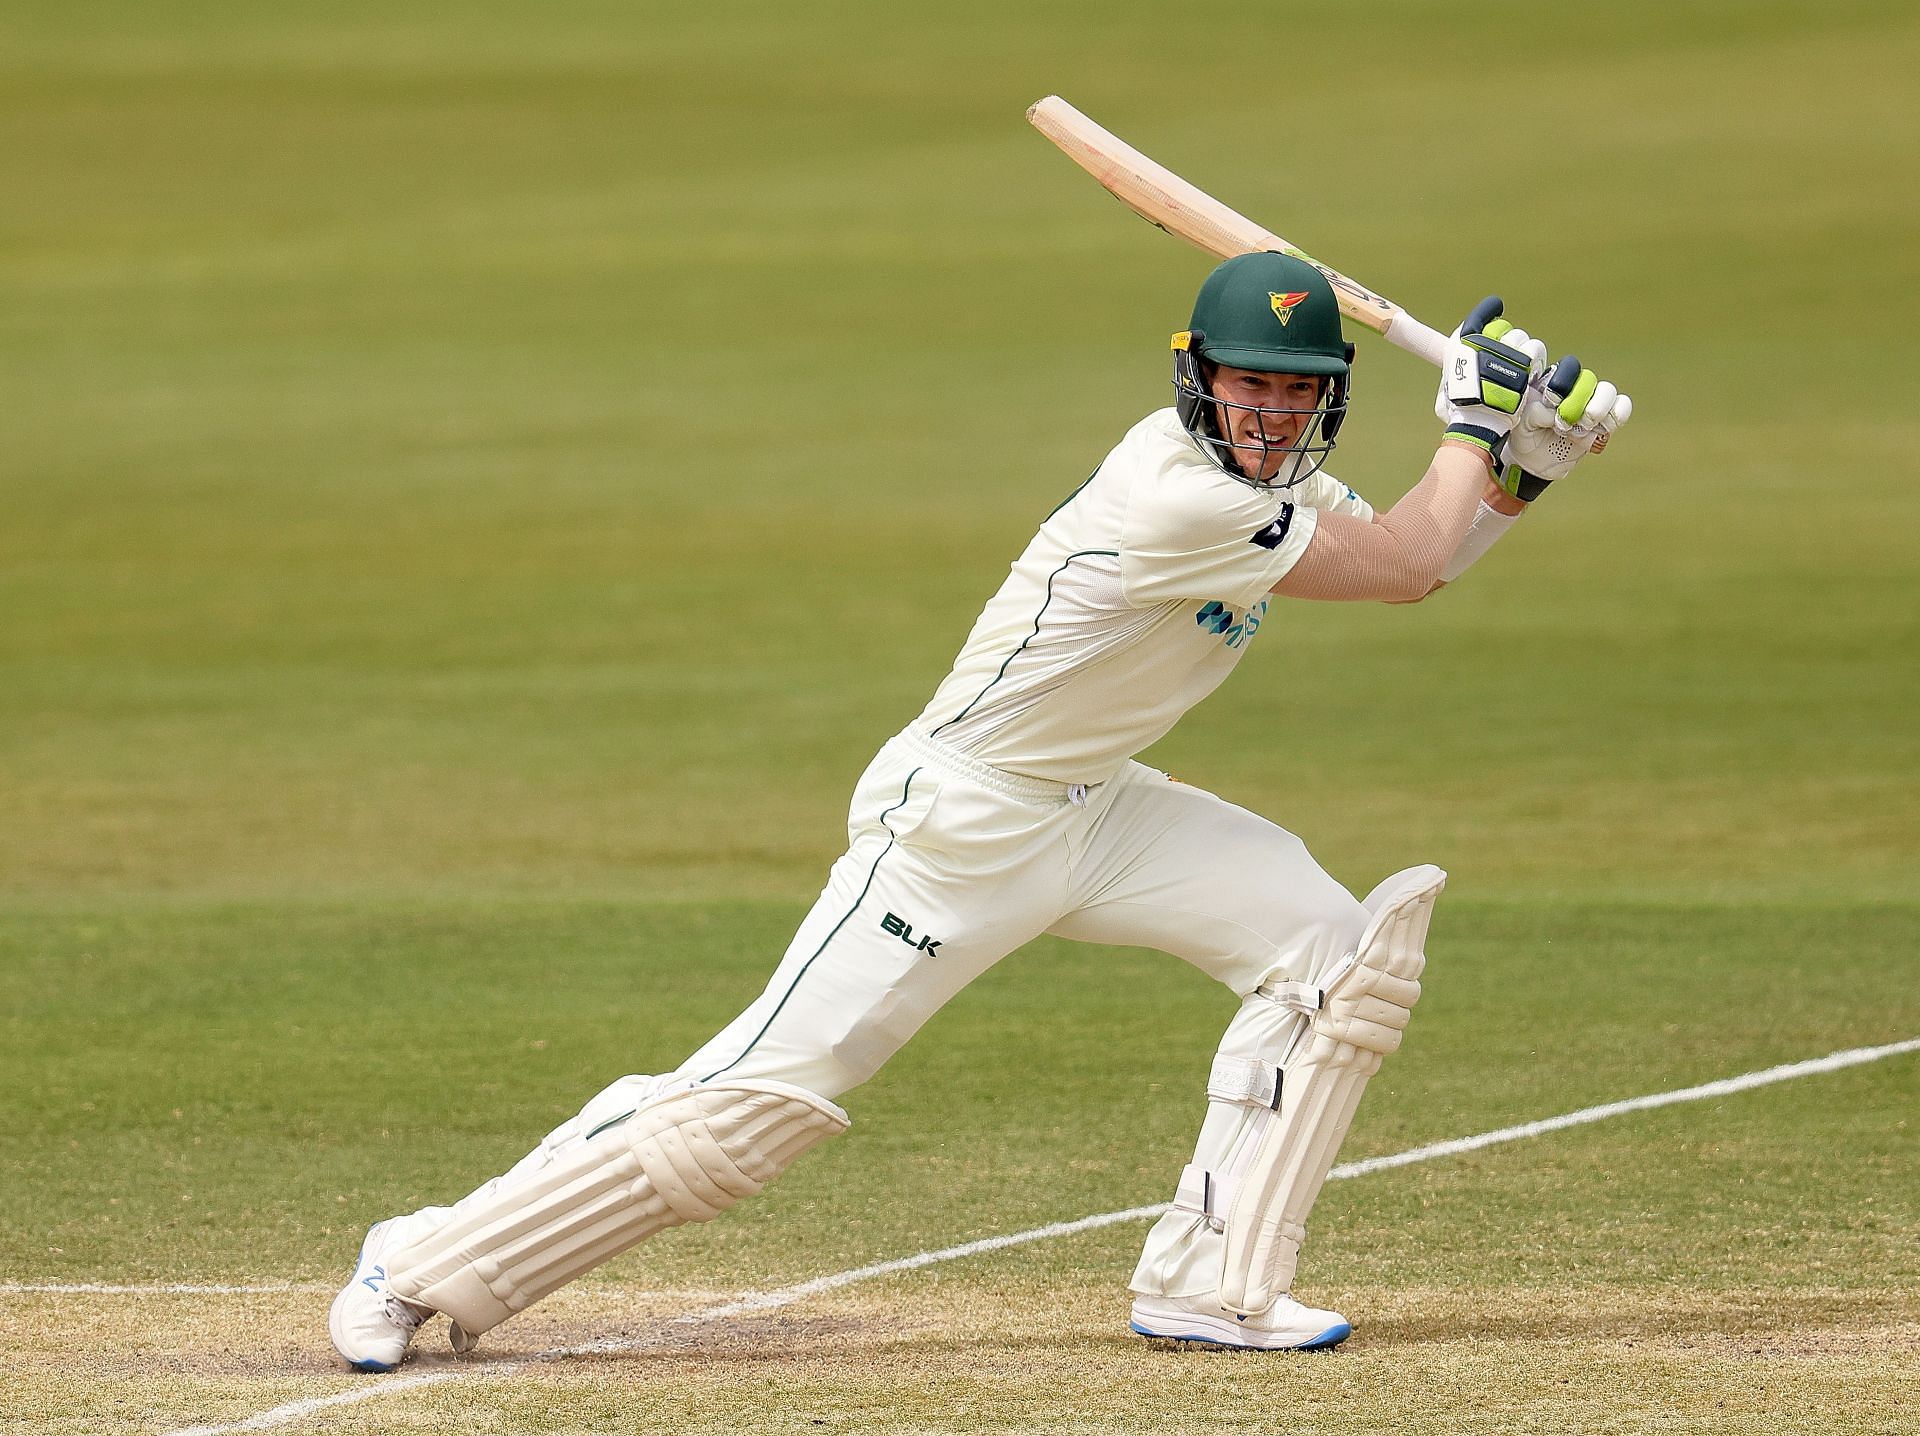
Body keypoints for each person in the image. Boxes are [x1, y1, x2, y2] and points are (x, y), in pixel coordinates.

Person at [329, 252, 1630, 1369]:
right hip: (962, 824)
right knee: (756, 1108)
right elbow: (1404, 564)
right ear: (1201, 378)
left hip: (1097, 809)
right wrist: (1474, 418)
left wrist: (1525, 464)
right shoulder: (1181, 492)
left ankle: (1213, 1285)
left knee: (1337, 958)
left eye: (1302, 392)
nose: (1277, 413)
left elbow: (1423, 553)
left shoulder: (1274, 491)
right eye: (1255, 385)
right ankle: (419, 1263)